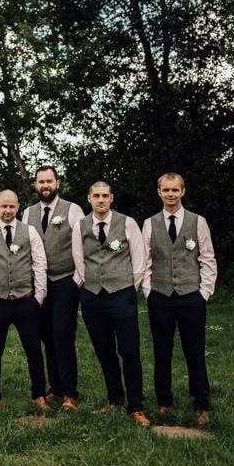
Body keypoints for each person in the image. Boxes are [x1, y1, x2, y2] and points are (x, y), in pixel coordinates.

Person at [72, 181, 150, 427]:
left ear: (112, 198)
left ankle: (136, 406)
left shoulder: (127, 223)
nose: (101, 199)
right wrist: (90, 284)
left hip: (122, 295)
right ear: (89, 198)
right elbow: (79, 260)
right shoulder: (81, 225)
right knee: (104, 350)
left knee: (129, 350)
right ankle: (115, 399)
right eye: (96, 195)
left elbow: (139, 261)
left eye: (105, 195)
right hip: (93, 296)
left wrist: (127, 287)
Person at [142, 172, 217, 426]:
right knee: (162, 351)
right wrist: (148, 291)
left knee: (194, 350)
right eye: (166, 190)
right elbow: (145, 261)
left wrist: (203, 292)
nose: (171, 194)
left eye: (175, 190)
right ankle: (164, 402)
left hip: (191, 297)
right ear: (159, 192)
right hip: (160, 296)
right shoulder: (150, 223)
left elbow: (207, 259)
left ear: (183, 191)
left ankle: (201, 403)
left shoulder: (198, 221)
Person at [0, 190, 51, 411]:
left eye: (11, 206)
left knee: (34, 349)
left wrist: (38, 297)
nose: (7, 210)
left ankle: (38, 394)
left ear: (17, 207)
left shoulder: (30, 231)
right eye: (4, 206)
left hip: (26, 301)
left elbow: (40, 264)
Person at [22, 165, 85, 411]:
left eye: (49, 181)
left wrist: (78, 279)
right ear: (35, 185)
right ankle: (56, 388)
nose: (45, 185)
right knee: (46, 335)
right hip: (39, 284)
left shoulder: (72, 209)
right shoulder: (28, 213)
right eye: (41, 182)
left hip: (65, 280)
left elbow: (82, 244)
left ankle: (71, 392)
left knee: (62, 333)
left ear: (57, 183)